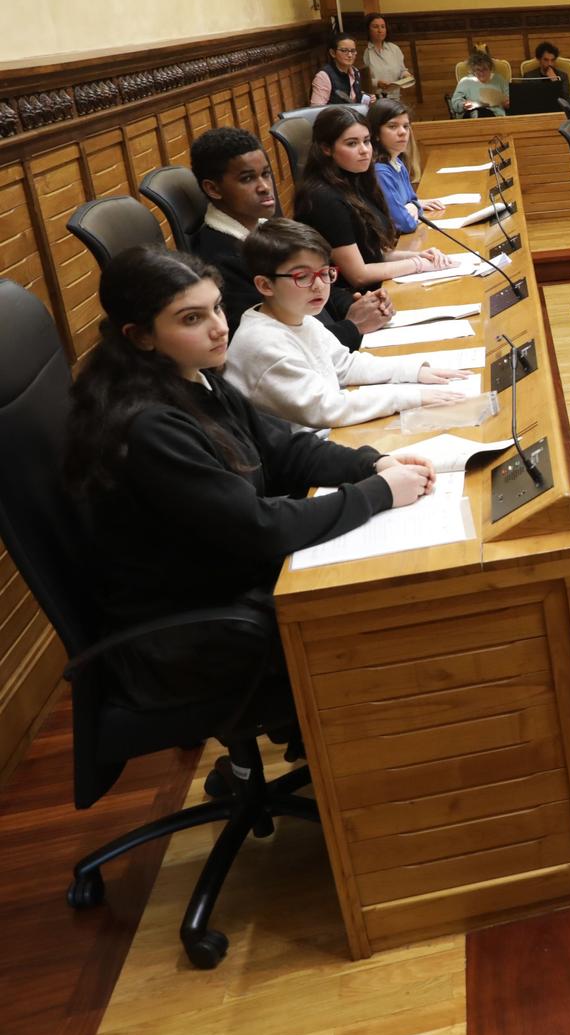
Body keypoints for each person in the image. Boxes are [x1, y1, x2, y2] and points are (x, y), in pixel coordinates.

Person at [65, 247, 434, 709]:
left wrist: (371, 464)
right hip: (196, 634)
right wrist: (377, 495)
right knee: (395, 610)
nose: (219, 325)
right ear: (140, 336)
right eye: (191, 318)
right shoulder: (149, 425)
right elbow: (258, 528)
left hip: (227, 589)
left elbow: (284, 449)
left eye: (217, 307)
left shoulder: (193, 376)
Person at [227, 220, 469, 428]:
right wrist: (409, 397)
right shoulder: (262, 344)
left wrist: (414, 372)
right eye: (302, 276)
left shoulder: (298, 317)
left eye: (324, 273)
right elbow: (327, 408)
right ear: (265, 285)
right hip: (310, 458)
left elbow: (343, 364)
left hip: (330, 434)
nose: (319, 285)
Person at [189, 126, 388, 347]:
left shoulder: (269, 228)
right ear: (214, 189)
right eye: (247, 179)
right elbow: (272, 344)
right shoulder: (220, 261)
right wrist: (353, 326)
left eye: (265, 174)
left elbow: (314, 283)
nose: (265, 187)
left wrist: (355, 304)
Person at [291, 106, 448, 289]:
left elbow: (372, 254)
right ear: (326, 149)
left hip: (378, 289)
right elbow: (358, 275)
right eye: (352, 143)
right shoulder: (323, 199)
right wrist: (418, 265)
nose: (365, 150)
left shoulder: (357, 180)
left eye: (366, 141)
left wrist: (417, 256)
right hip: (353, 299)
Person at [369, 99, 445, 236]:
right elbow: (404, 223)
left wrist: (413, 206)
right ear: (376, 133)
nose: (403, 132)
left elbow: (413, 200)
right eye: (393, 126)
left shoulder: (397, 161)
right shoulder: (380, 171)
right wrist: (413, 207)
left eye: (405, 126)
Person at [361, 14, 415, 101]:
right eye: (375, 27)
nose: (380, 30)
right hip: (375, 99)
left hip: (395, 98)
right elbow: (361, 78)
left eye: (383, 27)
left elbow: (402, 70)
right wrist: (377, 83)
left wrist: (406, 75)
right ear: (368, 30)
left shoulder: (394, 48)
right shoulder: (364, 51)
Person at [308, 34, 370, 109]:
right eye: (344, 51)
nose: (350, 55)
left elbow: (353, 97)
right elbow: (316, 111)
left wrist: (365, 97)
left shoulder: (355, 71)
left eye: (353, 51)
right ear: (332, 53)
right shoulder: (323, 76)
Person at [449, 50, 509, 119]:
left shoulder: (499, 80)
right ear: (473, 70)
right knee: (480, 112)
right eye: (478, 70)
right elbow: (455, 103)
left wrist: (506, 103)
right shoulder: (465, 81)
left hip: (499, 117)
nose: (481, 73)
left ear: (490, 68)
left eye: (484, 69)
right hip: (476, 117)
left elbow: (511, 100)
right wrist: (463, 105)